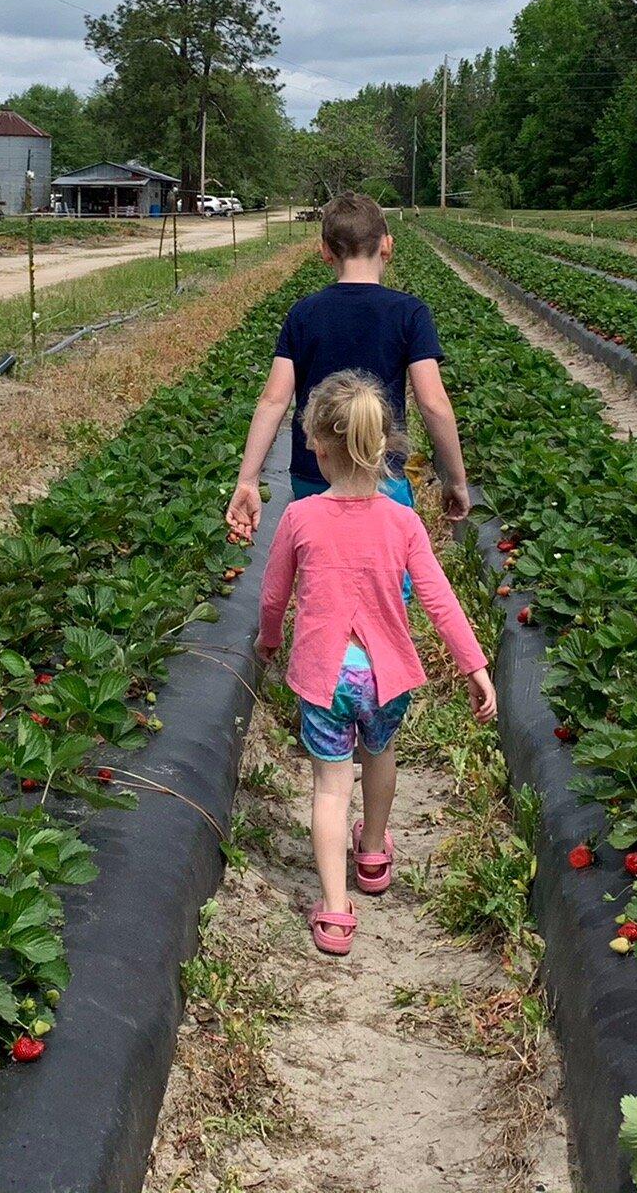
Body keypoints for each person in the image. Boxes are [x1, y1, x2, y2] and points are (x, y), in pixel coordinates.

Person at [258, 370, 495, 956]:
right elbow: (439, 598)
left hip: (325, 675)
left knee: (329, 787)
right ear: (385, 443)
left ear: (316, 443)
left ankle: (336, 911)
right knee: (380, 754)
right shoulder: (404, 521)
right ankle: (372, 852)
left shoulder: (299, 518)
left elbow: (272, 597)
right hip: (385, 676)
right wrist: (475, 666)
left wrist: (268, 642)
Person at [225, 192, 469, 545]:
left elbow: (273, 402)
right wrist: (455, 481)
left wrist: (247, 480)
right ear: (387, 245)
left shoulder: (303, 314)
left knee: (323, 573)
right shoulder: (410, 313)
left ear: (325, 251)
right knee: (383, 578)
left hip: (314, 472)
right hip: (381, 473)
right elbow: (433, 404)